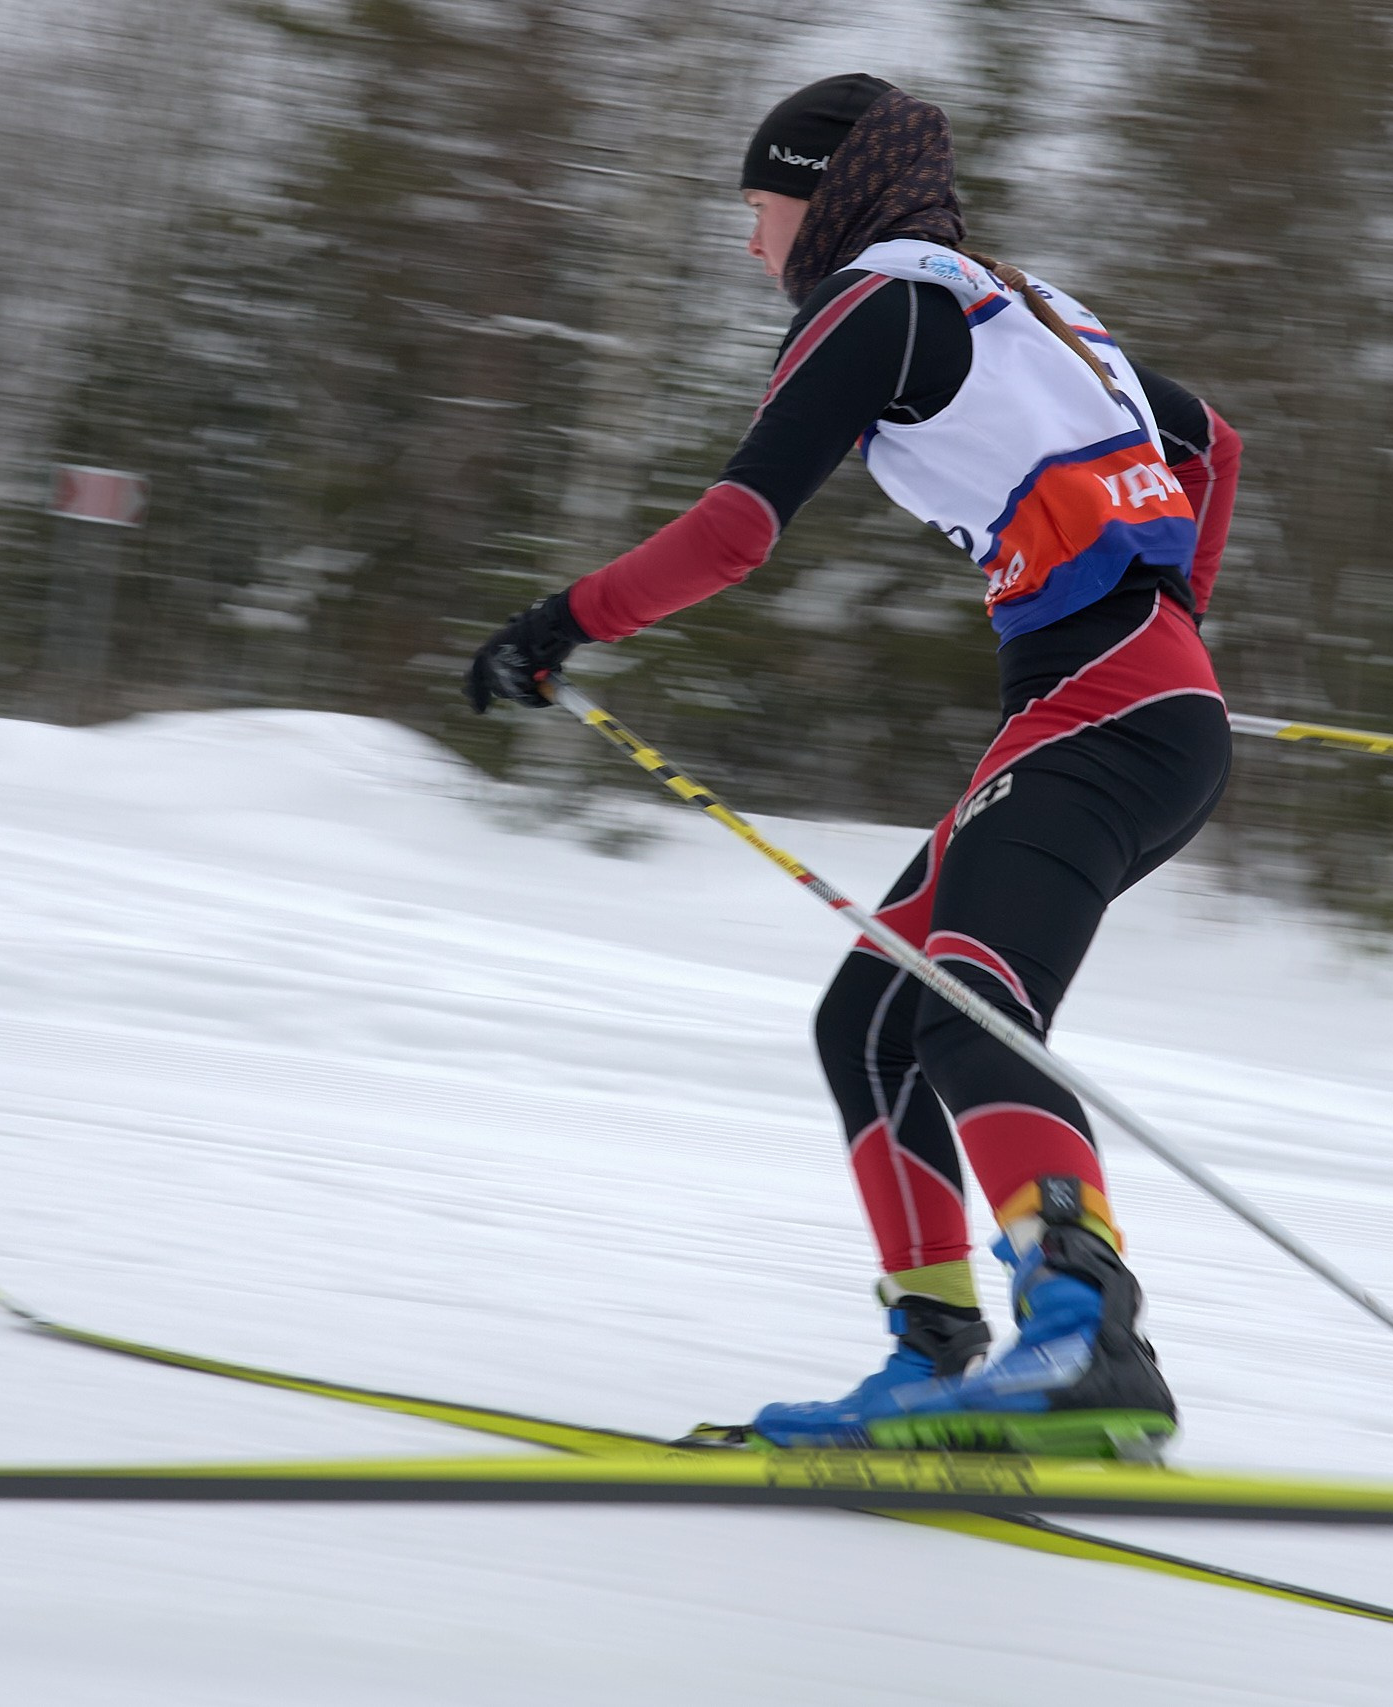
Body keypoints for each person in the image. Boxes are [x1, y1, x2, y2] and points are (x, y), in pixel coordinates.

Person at [465, 74, 1241, 1459]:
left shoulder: (871, 307)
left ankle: (1082, 1338)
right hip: (1119, 709)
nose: (748, 240)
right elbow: (1201, 440)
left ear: (817, 194)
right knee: (872, 1023)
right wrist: (1181, 614)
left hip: (1104, 714)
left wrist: (557, 625)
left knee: (967, 1011)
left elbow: (734, 532)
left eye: (755, 207)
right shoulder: (1022, 303)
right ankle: (935, 1347)